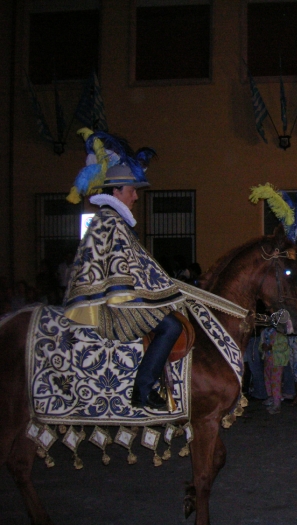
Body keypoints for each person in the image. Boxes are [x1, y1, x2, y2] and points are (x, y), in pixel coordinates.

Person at [63, 132, 184, 411]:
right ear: (116, 192)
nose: (136, 197)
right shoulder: (110, 222)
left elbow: (137, 265)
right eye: (132, 191)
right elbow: (121, 272)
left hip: (122, 299)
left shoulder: (113, 221)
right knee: (171, 326)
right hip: (114, 304)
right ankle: (142, 391)